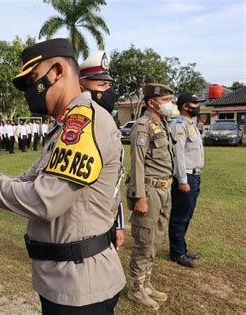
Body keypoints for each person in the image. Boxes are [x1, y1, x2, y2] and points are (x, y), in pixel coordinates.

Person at [0, 38, 125, 314]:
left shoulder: (82, 123)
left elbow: (46, 201)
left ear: (58, 71)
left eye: (34, 79)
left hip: (80, 288)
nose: (30, 91)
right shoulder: (64, 125)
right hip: (64, 279)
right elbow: (29, 180)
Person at [126, 83, 174, 310]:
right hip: (150, 190)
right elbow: (136, 164)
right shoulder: (142, 127)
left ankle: (146, 283)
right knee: (144, 239)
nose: (168, 104)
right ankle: (136, 288)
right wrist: (140, 197)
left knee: (155, 239)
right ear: (152, 102)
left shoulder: (161, 124)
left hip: (164, 189)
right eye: (165, 100)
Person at [79, 50, 125, 251]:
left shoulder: (108, 125)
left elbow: (115, 179)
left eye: (109, 85)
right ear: (81, 88)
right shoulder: (80, 129)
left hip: (108, 217)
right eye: (101, 85)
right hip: (87, 224)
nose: (107, 91)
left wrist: (119, 223)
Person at [169, 93, 204, 268]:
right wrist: (182, 180)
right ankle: (177, 252)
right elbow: (178, 155)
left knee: (187, 214)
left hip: (195, 175)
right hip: (186, 176)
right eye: (195, 103)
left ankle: (182, 247)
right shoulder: (179, 125)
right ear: (185, 106)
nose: (198, 106)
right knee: (180, 216)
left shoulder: (192, 125)